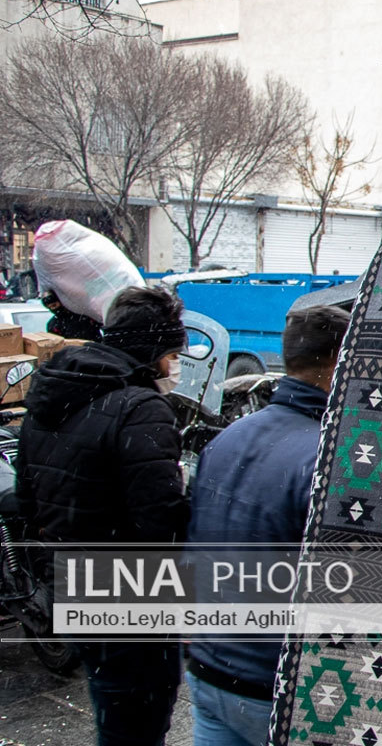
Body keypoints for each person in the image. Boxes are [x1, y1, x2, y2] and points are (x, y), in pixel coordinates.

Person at [15, 285, 189, 746]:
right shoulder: (140, 407)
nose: (172, 368)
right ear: (151, 351)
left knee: (110, 702)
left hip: (70, 580)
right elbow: (162, 522)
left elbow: (26, 499)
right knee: (140, 718)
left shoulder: (50, 393)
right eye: (171, 355)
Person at [185, 305, 350, 746]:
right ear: (341, 362)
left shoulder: (227, 438)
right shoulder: (327, 458)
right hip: (274, 689)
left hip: (209, 672)